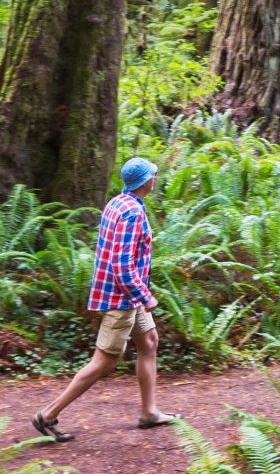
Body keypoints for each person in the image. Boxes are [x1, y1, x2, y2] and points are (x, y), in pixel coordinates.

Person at [32, 156, 177, 439]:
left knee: (149, 341)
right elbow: (121, 264)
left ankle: (149, 412)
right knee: (105, 361)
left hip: (126, 296)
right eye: (153, 175)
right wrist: (144, 296)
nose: (155, 179)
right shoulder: (133, 212)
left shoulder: (118, 202)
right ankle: (47, 415)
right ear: (146, 181)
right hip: (122, 297)